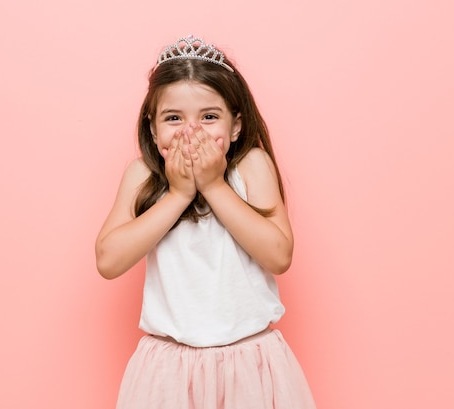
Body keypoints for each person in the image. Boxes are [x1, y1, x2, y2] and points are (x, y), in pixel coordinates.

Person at [95, 35, 317, 409]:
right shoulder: (142, 176)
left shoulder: (251, 167)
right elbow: (108, 260)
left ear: (235, 126)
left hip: (249, 363)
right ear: (153, 129)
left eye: (209, 117)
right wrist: (178, 194)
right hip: (168, 369)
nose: (191, 131)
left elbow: (279, 255)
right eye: (173, 118)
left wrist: (213, 185)